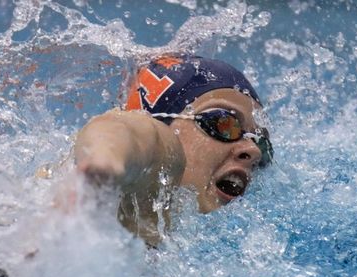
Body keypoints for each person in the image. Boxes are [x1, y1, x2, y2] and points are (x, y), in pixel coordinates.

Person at [72, 53, 273, 246]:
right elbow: (129, 131)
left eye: (261, 141)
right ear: (163, 122)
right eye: (225, 124)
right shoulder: (143, 202)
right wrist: (103, 164)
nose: (253, 150)